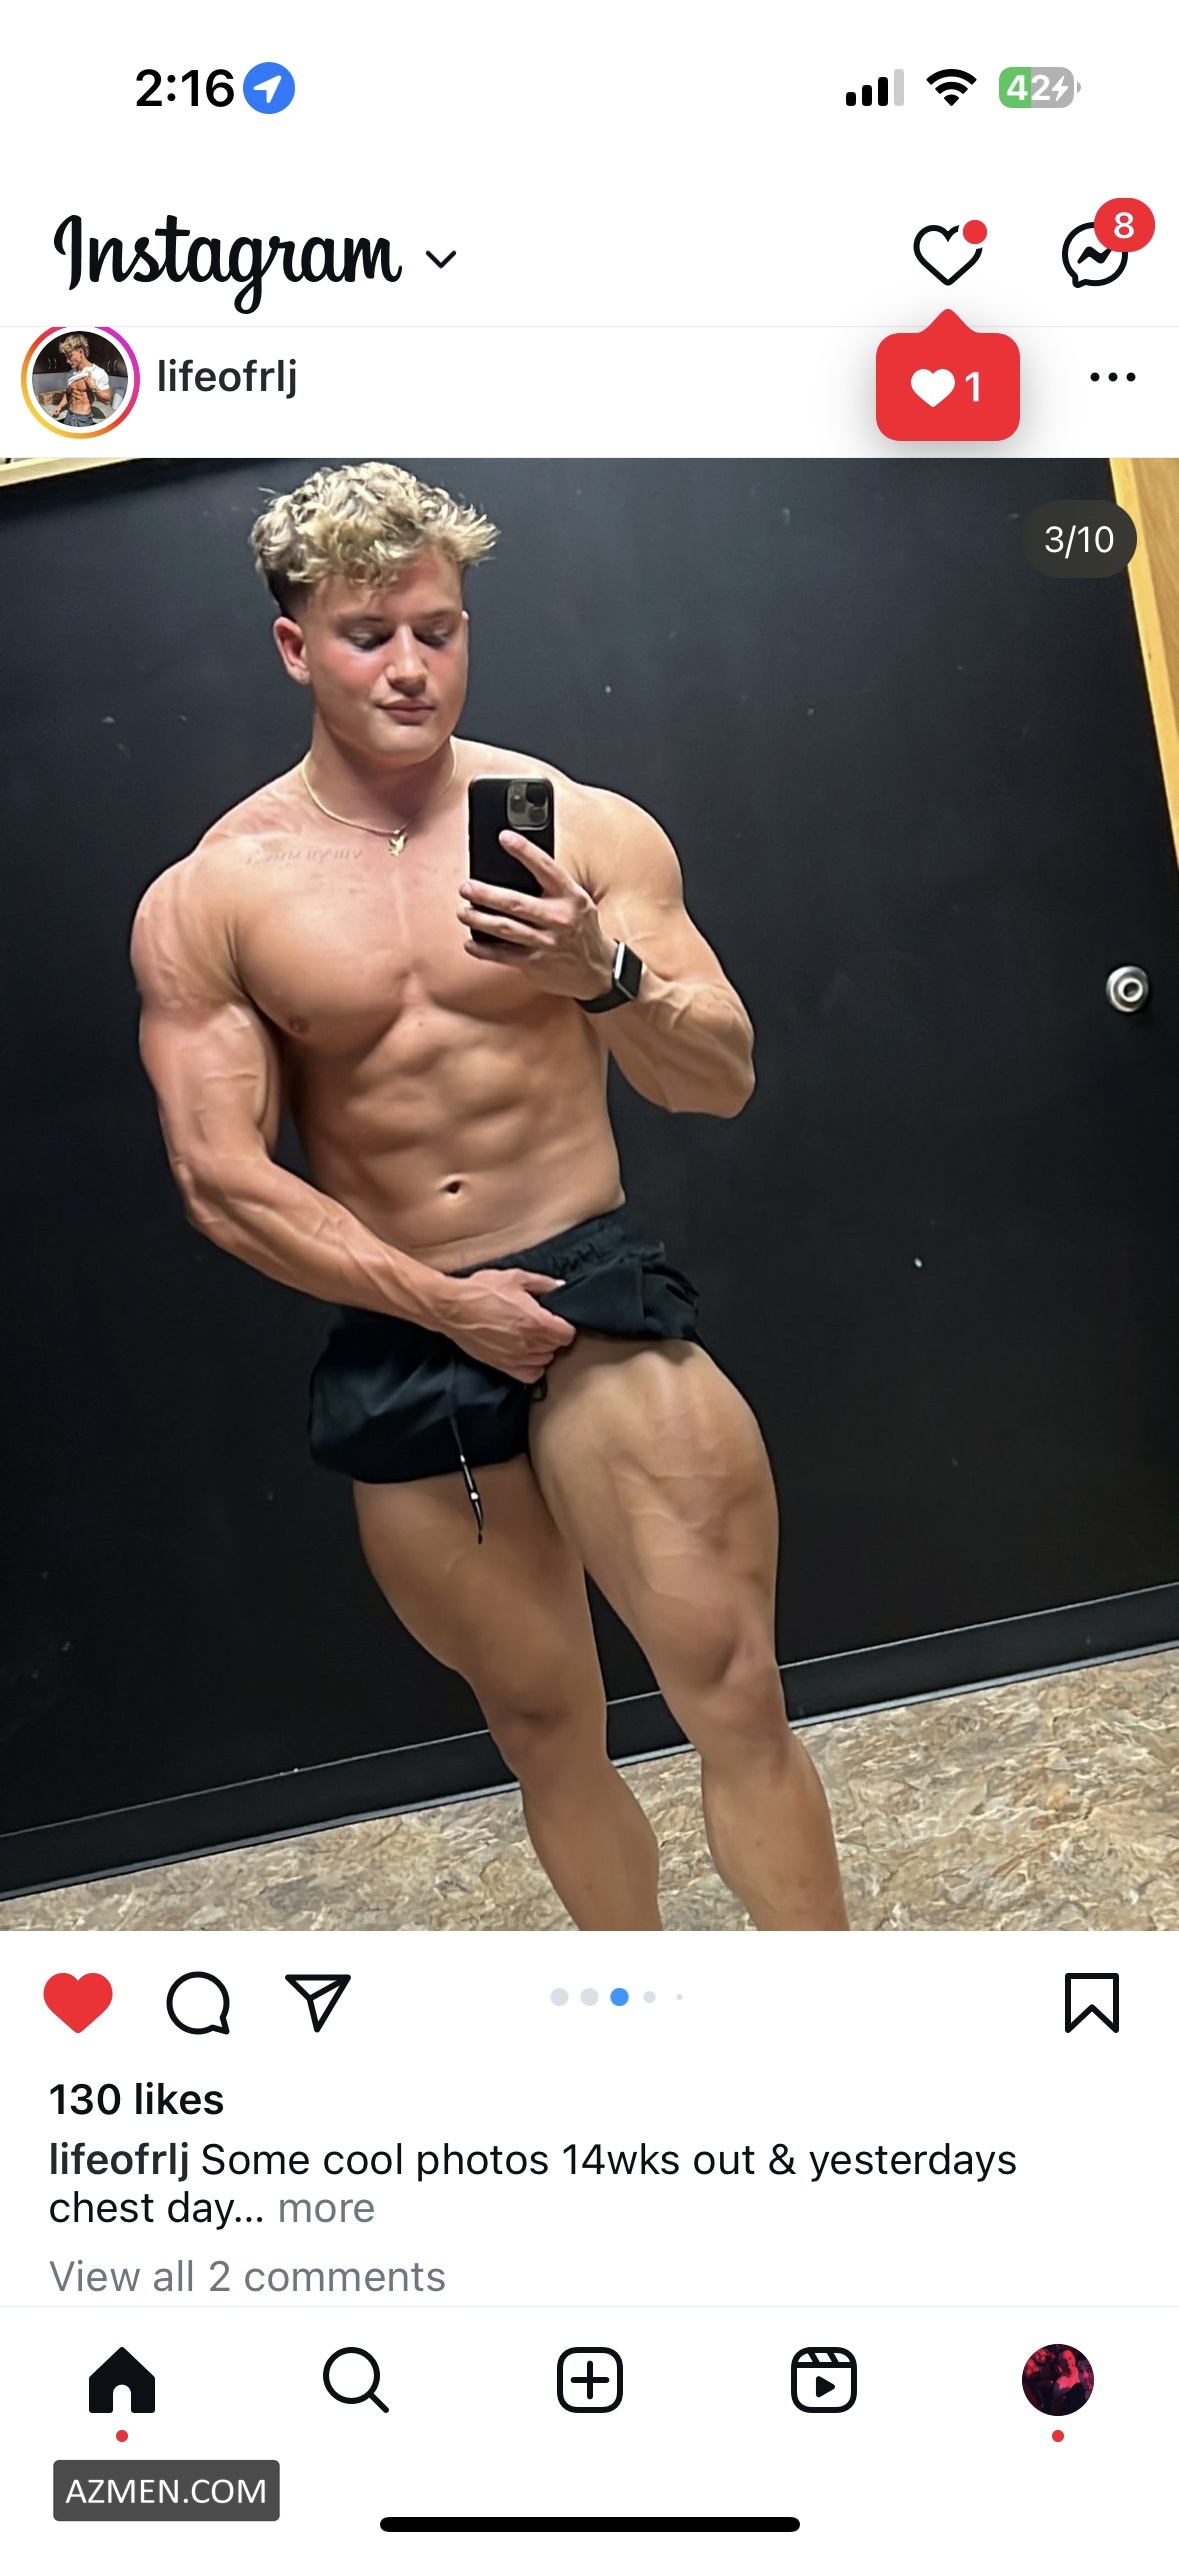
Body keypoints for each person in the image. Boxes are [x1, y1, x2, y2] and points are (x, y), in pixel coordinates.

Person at [131, 462, 847, 1932]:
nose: (410, 666)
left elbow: (719, 1077)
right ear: (295, 647)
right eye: (367, 635)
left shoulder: (582, 828)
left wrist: (601, 972)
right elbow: (219, 1180)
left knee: (732, 1690)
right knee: (542, 1730)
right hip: (407, 1318)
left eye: (438, 630)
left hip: (589, 1290)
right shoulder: (215, 893)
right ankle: (635, 2006)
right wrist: (440, 1303)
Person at [53, 334, 112, 420]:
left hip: (84, 419)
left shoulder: (98, 373)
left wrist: (93, 386)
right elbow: (68, 394)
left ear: (81, 352)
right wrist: (59, 406)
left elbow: (107, 401)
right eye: (66, 357)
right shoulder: (70, 374)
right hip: (70, 414)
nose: (67, 361)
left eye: (70, 356)